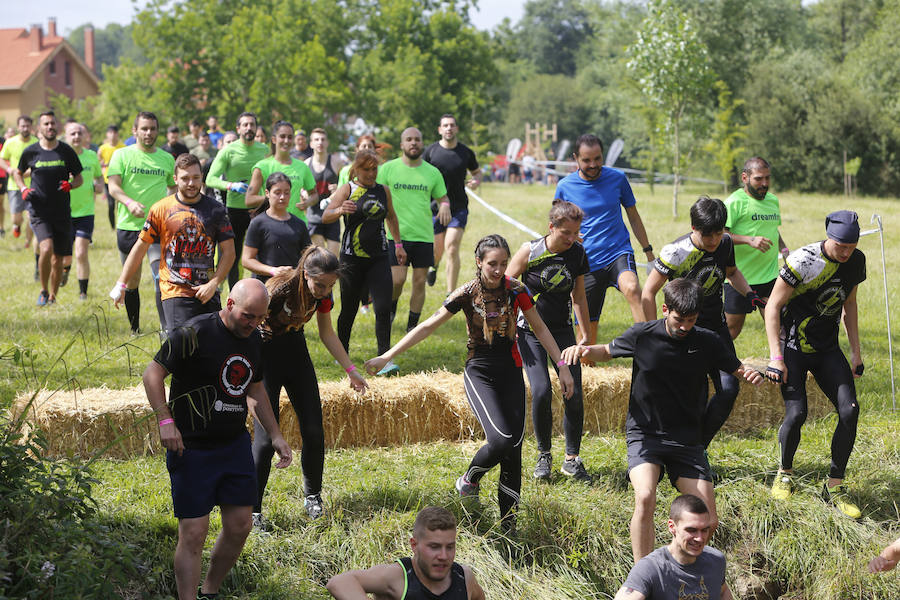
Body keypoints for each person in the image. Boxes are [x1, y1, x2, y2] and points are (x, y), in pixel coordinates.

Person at [365, 235, 574, 533]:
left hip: (511, 370)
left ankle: (509, 526)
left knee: (513, 450)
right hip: (480, 371)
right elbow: (427, 326)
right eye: (492, 264)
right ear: (479, 261)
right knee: (501, 440)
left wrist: (562, 367)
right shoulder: (466, 293)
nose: (499, 270)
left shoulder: (517, 290)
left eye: (503, 263)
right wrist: (387, 356)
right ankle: (469, 479)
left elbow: (539, 327)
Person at [561, 278, 764, 562]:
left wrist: (750, 374)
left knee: (709, 519)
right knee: (645, 497)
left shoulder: (707, 340)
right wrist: (582, 350)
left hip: (686, 439)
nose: (685, 327)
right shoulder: (644, 334)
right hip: (646, 435)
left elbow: (736, 367)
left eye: (691, 320)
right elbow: (607, 351)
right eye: (679, 319)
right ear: (665, 309)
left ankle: (679, 565)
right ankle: (643, 573)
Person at [141, 278, 292, 600]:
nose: (253, 324)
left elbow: (255, 389)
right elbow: (152, 373)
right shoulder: (194, 332)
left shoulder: (254, 340)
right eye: (248, 316)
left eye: (260, 318)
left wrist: (276, 435)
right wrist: (166, 420)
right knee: (194, 533)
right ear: (230, 305)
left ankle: (210, 591)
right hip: (191, 445)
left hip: (233, 442)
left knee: (240, 525)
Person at [250, 240, 368, 524]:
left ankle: (313, 496)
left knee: (314, 429)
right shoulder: (278, 289)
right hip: (264, 354)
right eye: (321, 285)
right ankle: (252, 510)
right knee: (265, 440)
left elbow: (327, 334)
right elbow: (247, 328)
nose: (325, 292)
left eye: (330, 286)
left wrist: (350, 369)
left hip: (295, 352)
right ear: (305, 274)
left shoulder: (324, 296)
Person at [640, 196, 764, 450]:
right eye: (708, 235)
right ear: (694, 228)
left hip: (716, 330)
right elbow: (648, 292)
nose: (713, 241)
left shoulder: (726, 243)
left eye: (718, 234)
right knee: (689, 396)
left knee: (729, 389)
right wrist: (652, 331)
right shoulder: (676, 252)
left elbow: (731, 273)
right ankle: (671, 449)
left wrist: (749, 293)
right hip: (683, 331)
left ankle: (697, 448)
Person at [765, 210, 865, 519]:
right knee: (797, 413)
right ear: (828, 237)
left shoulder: (856, 261)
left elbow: (849, 304)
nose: (846, 252)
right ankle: (784, 473)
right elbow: (773, 307)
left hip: (826, 348)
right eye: (840, 246)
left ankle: (834, 485)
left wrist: (856, 353)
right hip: (793, 348)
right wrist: (775, 357)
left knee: (849, 410)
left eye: (851, 246)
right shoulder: (802, 261)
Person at [506, 200, 592, 483]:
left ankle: (572, 458)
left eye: (575, 233)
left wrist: (585, 334)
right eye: (565, 232)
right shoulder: (530, 251)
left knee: (574, 392)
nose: (571, 239)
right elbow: (506, 284)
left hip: (563, 332)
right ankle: (544, 455)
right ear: (551, 227)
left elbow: (578, 296)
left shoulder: (577, 252)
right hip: (529, 332)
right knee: (541, 390)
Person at [111, 153, 235, 330]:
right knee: (184, 343)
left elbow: (229, 252)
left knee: (211, 346)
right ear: (175, 179)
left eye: (196, 178)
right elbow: (140, 247)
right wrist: (121, 284)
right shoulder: (161, 209)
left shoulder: (216, 210)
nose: (191, 183)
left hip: (207, 290)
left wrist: (214, 283)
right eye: (185, 178)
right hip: (175, 291)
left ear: (202, 178)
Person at [554, 134, 655, 346]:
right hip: (586, 261)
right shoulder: (565, 186)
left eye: (597, 159)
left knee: (632, 288)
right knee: (585, 335)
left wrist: (649, 252)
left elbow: (634, 217)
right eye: (586, 160)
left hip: (618, 251)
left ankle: (649, 349)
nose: (593, 165)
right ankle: (587, 363)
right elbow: (558, 225)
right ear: (575, 158)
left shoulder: (617, 179)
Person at [322, 150, 404, 369]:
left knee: (383, 307)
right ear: (356, 170)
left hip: (379, 257)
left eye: (374, 169)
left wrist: (398, 244)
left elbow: (392, 217)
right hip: (351, 259)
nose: (371, 173)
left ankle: (384, 358)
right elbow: (325, 215)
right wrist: (340, 209)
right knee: (348, 309)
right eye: (366, 169)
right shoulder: (348, 189)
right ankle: (342, 353)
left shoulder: (383, 190)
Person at [377, 127, 449, 341]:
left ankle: (411, 327)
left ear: (422, 143)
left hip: (423, 235)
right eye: (409, 139)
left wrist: (445, 205)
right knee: (397, 281)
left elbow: (443, 197)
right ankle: (390, 311)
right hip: (396, 236)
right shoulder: (388, 169)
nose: (413, 143)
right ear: (402, 144)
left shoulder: (432, 172)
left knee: (419, 282)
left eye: (417, 139)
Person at [107, 111, 176, 333]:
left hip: (158, 227)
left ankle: (165, 329)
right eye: (144, 128)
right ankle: (135, 328)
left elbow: (173, 188)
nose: (148, 133)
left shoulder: (167, 159)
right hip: (129, 226)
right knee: (133, 281)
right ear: (134, 130)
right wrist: (129, 203)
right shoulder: (121, 156)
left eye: (152, 129)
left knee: (159, 276)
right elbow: (113, 187)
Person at [326, 506, 486, 600]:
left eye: (449, 547)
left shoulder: (464, 578)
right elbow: (339, 582)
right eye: (434, 547)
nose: (443, 556)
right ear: (414, 545)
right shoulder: (398, 577)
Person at [12, 111, 83, 306]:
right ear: (39, 129)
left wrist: (71, 185)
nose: (50, 127)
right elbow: (17, 173)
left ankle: (53, 295)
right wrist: (23, 188)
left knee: (59, 258)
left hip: (61, 211)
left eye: (53, 124)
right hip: (39, 210)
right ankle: (43, 290)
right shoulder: (31, 151)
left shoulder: (66, 151)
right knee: (46, 248)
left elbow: (79, 178)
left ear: (57, 127)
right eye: (46, 124)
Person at [612, 494, 733, 600]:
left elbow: (722, 591)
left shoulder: (716, 560)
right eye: (691, 530)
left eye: (704, 530)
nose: (700, 538)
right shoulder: (651, 568)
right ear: (672, 526)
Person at [724, 157, 790, 340]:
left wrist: (786, 254)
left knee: (779, 326)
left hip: (769, 277)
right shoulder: (734, 202)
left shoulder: (773, 201)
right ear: (745, 177)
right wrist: (748, 240)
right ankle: (716, 366)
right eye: (759, 179)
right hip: (738, 278)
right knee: (732, 329)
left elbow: (773, 231)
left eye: (767, 178)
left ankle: (780, 365)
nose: (765, 183)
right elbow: (719, 235)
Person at [205, 112, 269, 290]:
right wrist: (231, 185)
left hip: (260, 208)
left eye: (252, 125)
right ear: (238, 128)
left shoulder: (264, 150)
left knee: (262, 255)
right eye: (245, 125)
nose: (249, 128)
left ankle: (261, 293)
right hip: (235, 210)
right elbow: (210, 179)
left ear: (256, 128)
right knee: (232, 255)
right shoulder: (228, 150)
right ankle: (235, 294)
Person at [423, 114, 480, 294]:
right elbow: (419, 174)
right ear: (440, 130)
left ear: (456, 129)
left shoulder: (465, 152)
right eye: (445, 125)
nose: (448, 128)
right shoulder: (430, 152)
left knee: (452, 246)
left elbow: (477, 172)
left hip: (458, 208)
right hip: (434, 208)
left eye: (452, 125)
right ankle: (434, 266)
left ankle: (450, 295)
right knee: (436, 251)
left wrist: (476, 181)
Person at [242, 172, 312, 282]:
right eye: (277, 193)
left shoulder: (299, 224)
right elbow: (247, 260)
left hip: (293, 284)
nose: (282, 197)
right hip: (265, 287)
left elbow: (308, 257)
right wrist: (272, 270)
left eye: (287, 193)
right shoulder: (258, 223)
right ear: (267, 193)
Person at [246, 120, 317, 225]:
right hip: (270, 225)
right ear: (274, 139)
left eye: (290, 137)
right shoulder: (262, 166)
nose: (286, 140)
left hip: (297, 225)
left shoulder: (302, 167)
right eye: (282, 136)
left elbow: (314, 195)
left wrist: (307, 203)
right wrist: (272, 198)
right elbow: (249, 200)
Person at [63, 122, 103, 300]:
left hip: (86, 212)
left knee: (81, 252)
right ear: (66, 136)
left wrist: (99, 186)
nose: (76, 137)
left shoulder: (91, 156)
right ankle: (65, 270)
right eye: (72, 134)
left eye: (79, 133)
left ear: (84, 136)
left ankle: (83, 292)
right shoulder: (60, 156)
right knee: (66, 256)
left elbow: (99, 178)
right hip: (64, 212)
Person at [305, 128, 345, 256]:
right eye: (316, 139)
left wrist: (338, 189)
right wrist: (304, 194)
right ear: (311, 143)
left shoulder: (337, 162)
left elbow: (346, 183)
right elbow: (300, 186)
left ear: (327, 143)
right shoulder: (306, 164)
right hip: (314, 216)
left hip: (332, 214)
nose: (320, 142)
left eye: (322, 139)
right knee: (321, 258)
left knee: (333, 257)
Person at [0, 115, 38, 246]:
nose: (25, 128)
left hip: (33, 185)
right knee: (16, 218)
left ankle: (28, 242)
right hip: (14, 185)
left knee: (32, 217)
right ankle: (17, 226)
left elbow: (41, 162)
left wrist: (29, 173)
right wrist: (9, 170)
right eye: (23, 126)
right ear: (18, 127)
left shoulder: (36, 142)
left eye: (28, 126)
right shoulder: (10, 142)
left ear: (31, 127)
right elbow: (1, 159)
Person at [98, 125, 125, 229]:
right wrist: (103, 167)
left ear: (117, 134)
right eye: (110, 133)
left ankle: (121, 224)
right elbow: (99, 162)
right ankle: (113, 226)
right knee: (110, 204)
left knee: (121, 204)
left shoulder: (123, 147)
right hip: (107, 179)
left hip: (121, 179)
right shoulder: (102, 148)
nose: (113, 135)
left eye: (115, 133)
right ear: (107, 134)